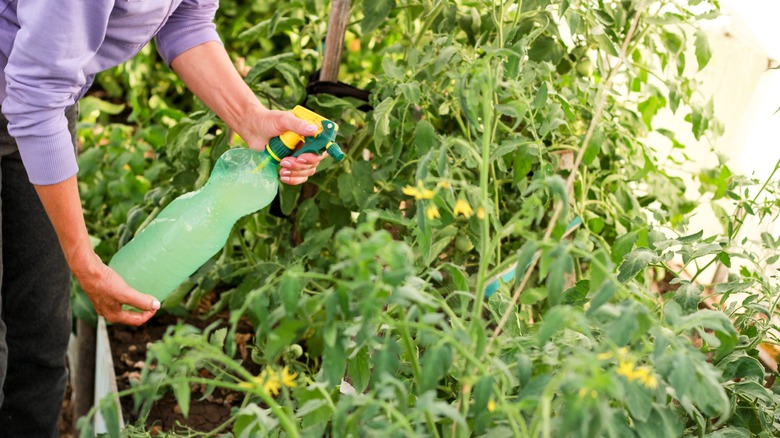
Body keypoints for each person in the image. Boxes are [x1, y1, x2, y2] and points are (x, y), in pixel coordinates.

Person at [0, 1, 326, 435]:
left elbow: (184, 18)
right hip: (32, 101)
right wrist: (85, 262)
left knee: (40, 333)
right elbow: (34, 99)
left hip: (39, 107)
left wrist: (252, 118)